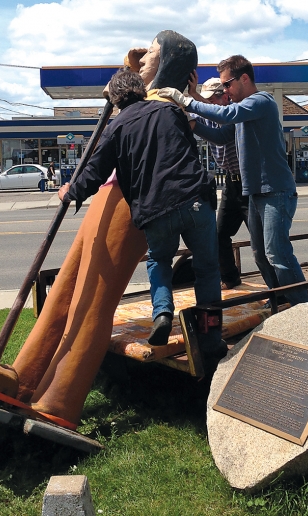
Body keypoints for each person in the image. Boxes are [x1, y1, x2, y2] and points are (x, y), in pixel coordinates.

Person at [60, 66, 223, 356]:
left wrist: (70, 192)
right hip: (194, 198)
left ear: (116, 98)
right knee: (207, 268)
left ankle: (162, 314)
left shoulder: (115, 127)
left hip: (155, 209)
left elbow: (95, 172)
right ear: (141, 89)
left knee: (159, 261)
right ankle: (210, 337)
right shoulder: (169, 112)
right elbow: (189, 152)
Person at [158, 55, 308, 306]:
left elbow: (227, 114)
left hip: (275, 191)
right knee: (261, 254)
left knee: (277, 253)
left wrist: (186, 100)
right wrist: (191, 122)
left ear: (245, 78)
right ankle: (279, 300)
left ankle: (303, 308)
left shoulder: (260, 101)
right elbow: (220, 136)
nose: (225, 90)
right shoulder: (243, 114)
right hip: (254, 192)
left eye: (227, 84)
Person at [190, 77, 249, 290]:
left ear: (224, 95)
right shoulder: (207, 114)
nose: (209, 105)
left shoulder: (236, 112)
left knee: (262, 241)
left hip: (249, 184)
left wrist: (194, 119)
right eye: (205, 101)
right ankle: (230, 278)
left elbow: (221, 136)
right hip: (231, 185)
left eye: (212, 99)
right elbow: (189, 115)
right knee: (219, 234)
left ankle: (280, 286)